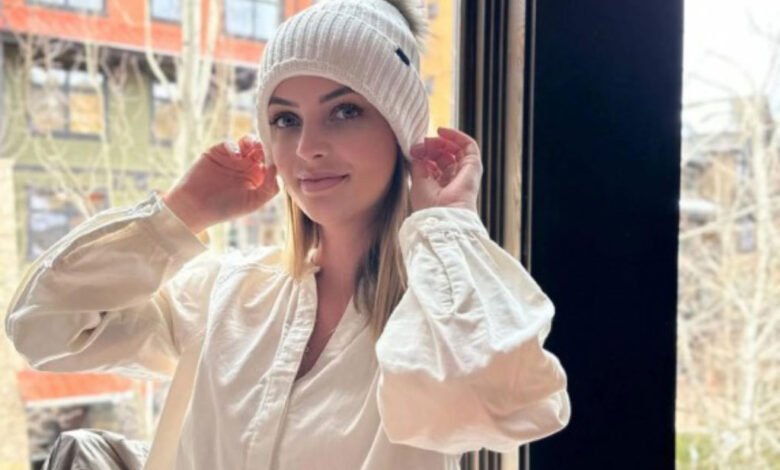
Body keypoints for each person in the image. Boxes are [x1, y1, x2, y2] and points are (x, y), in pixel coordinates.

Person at [5, 0, 571, 469]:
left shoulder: (432, 317)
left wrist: (445, 223)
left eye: (345, 111)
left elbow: (509, 406)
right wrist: (180, 213)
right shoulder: (225, 293)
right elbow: (43, 328)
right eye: (285, 119)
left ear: (400, 130)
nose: (308, 148)